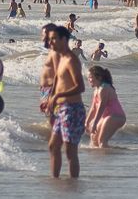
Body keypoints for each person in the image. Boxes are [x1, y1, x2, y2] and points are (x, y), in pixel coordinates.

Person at [45, 25, 85, 178]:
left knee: (70, 150)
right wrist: (51, 99)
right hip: (61, 108)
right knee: (53, 146)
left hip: (73, 108)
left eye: (54, 39)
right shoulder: (61, 58)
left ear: (64, 39)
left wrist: (57, 96)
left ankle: (73, 183)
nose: (51, 42)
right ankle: (55, 179)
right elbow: (57, 80)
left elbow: (80, 87)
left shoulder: (71, 60)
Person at [84, 65, 126, 147]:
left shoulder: (104, 88)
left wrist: (95, 123)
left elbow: (101, 107)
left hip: (116, 116)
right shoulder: (96, 90)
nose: (89, 80)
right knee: (94, 140)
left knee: (102, 141)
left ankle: (107, 158)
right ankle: (100, 158)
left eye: (90, 77)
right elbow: (93, 108)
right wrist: (87, 122)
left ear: (99, 77)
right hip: (106, 117)